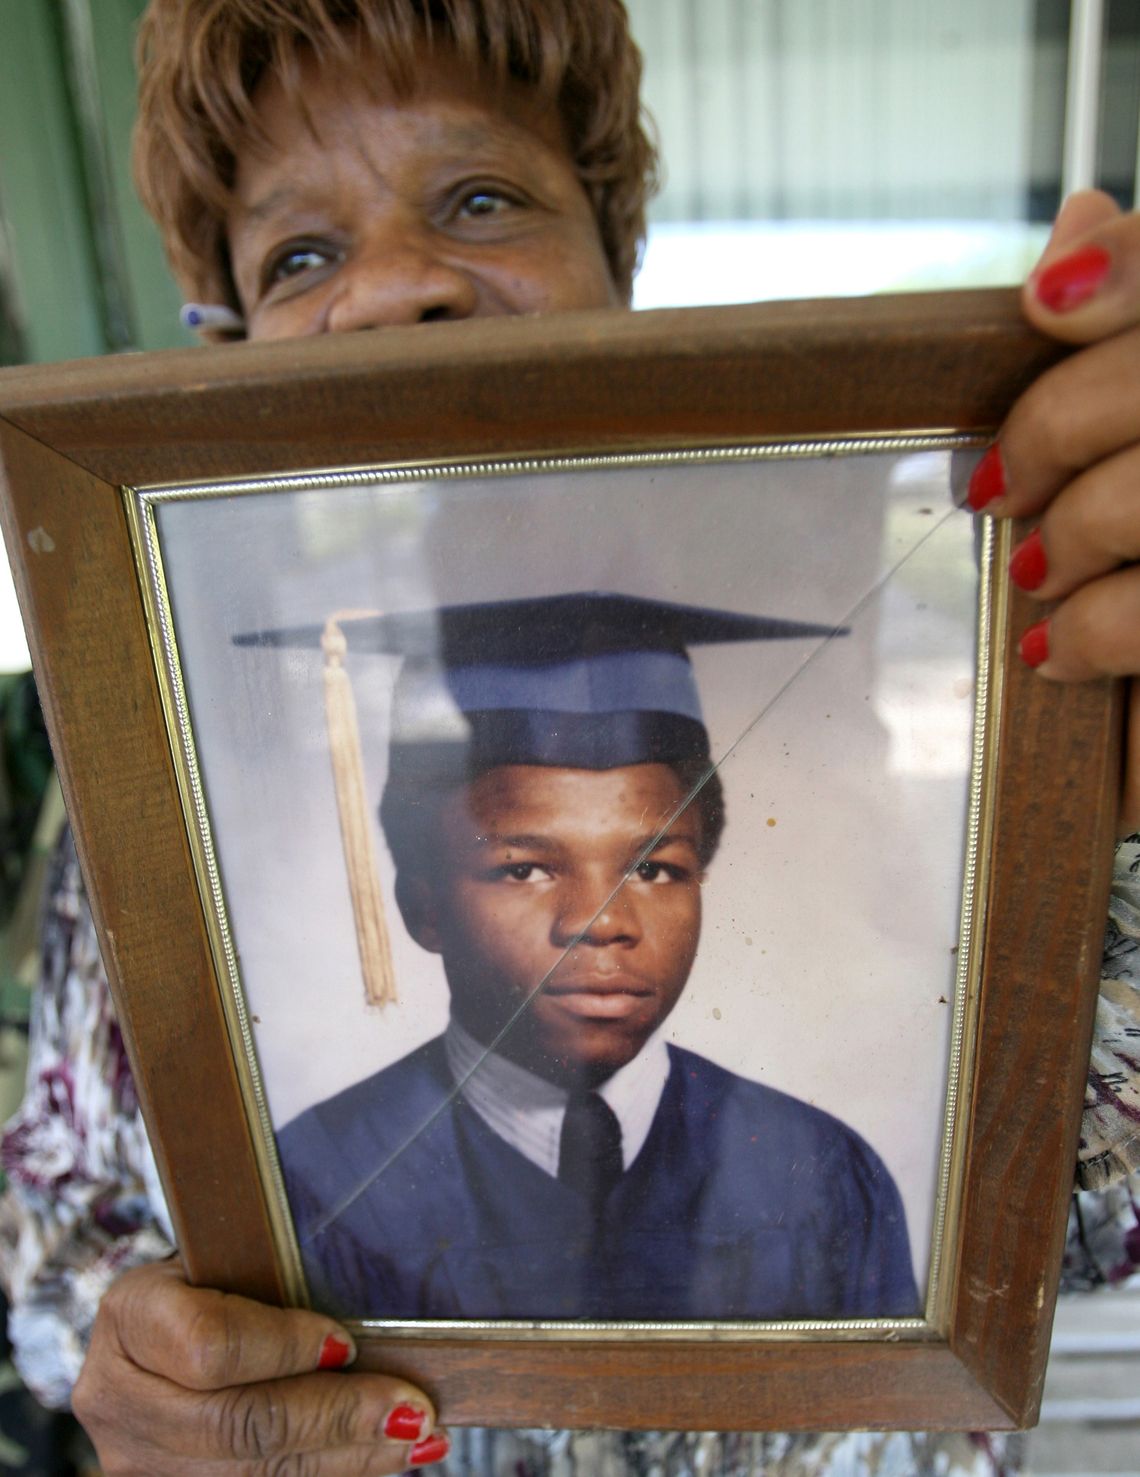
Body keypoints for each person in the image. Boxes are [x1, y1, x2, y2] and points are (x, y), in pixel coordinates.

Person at [0, 0, 1137, 1473]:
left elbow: (1097, 1220)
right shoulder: (150, 806)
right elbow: (53, 1271)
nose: (394, 289)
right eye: (301, 255)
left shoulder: (851, 1105)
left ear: (620, 269)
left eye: (481, 199)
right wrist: (159, 1383)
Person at [261, 595, 917, 1321]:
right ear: (423, 908)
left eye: (656, 869)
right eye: (525, 870)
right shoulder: (322, 1178)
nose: (600, 924)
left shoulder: (819, 1171)